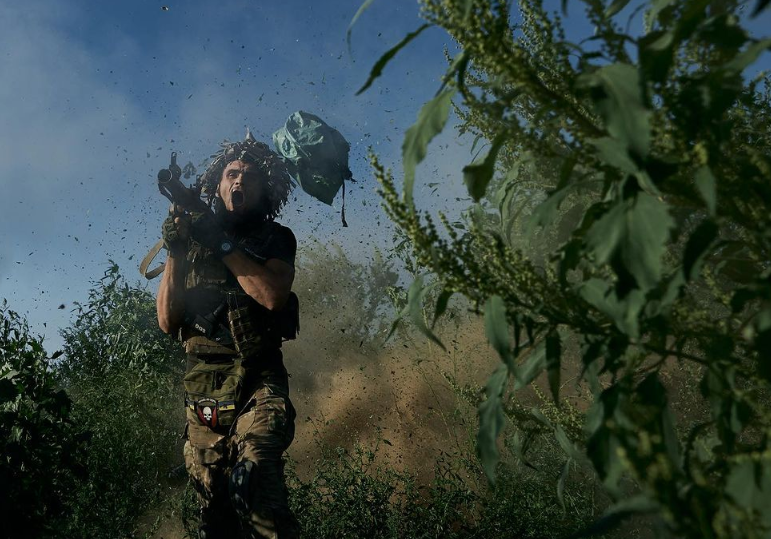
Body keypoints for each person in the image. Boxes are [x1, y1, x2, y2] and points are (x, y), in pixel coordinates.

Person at [156, 134, 300, 539]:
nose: (239, 182)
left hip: (258, 380)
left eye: (250, 177)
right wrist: (176, 249)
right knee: (214, 516)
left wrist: (217, 240)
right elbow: (168, 321)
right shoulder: (193, 242)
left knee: (252, 479)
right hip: (203, 387)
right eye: (232, 174)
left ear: (264, 190)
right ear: (217, 185)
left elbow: (271, 296)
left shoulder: (276, 239)